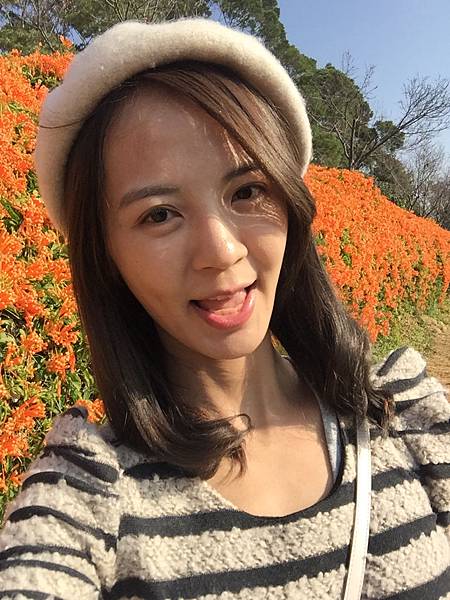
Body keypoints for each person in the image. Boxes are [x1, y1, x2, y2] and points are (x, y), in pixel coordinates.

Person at [0, 17, 448, 600]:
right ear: (106, 255)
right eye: (160, 214)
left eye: (247, 191)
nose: (222, 251)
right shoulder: (88, 492)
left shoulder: (403, 411)